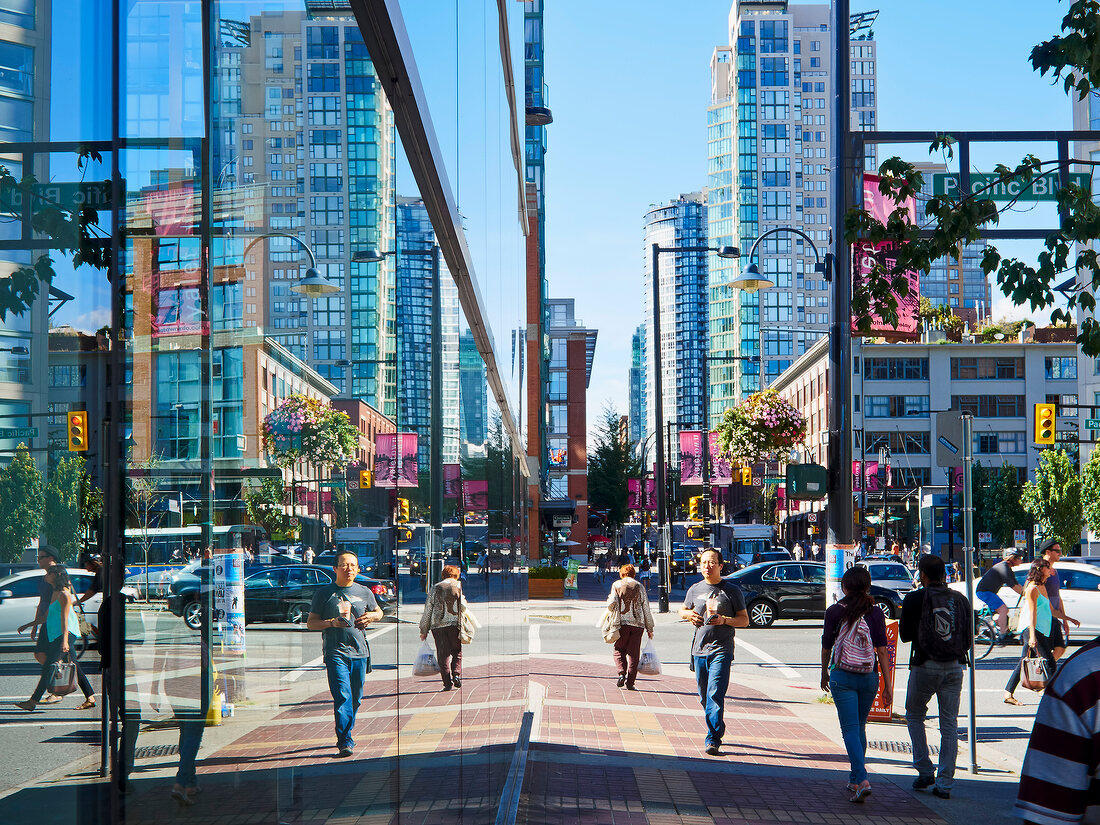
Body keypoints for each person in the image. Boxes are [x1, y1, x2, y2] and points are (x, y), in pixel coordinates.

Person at [821, 566, 893, 803]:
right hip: (868, 676)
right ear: (868, 587)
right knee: (860, 726)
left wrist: (824, 673)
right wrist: (887, 685)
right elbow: (882, 650)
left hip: (842, 675)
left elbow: (827, 647)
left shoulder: (833, 611)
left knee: (850, 729)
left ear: (844, 587)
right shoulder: (876, 613)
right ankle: (854, 778)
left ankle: (862, 779)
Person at [901, 554, 970, 800]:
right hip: (954, 667)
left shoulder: (914, 598)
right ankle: (945, 782)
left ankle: (924, 769)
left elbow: (905, 636)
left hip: (924, 665)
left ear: (922, 575)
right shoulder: (960, 600)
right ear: (944, 575)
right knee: (949, 724)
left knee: (915, 715)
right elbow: (968, 639)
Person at [1013, 637, 1100, 824]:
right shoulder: (1084, 676)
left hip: (1047, 629)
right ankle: (1011, 690)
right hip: (1040, 629)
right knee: (1036, 659)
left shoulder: (1084, 673)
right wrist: (1032, 632)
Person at [306, 550, 383, 757]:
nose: (349, 569)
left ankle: (347, 729)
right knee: (342, 696)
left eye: (353, 565)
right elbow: (311, 623)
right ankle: (345, 740)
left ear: (358, 569)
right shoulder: (324, 593)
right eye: (344, 565)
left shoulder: (365, 591)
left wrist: (371, 618)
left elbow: (379, 611)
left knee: (356, 698)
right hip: (335, 652)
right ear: (335, 569)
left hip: (360, 652)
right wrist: (331, 623)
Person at [679, 549, 749, 756]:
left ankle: (713, 738)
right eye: (703, 563)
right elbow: (682, 610)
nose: (707, 566)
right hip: (699, 649)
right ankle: (716, 725)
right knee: (704, 696)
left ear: (720, 565)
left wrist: (725, 620)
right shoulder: (694, 588)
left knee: (714, 693)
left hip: (722, 649)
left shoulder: (731, 590)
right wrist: (688, 615)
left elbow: (744, 620)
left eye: (712, 562)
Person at [16, 566, 96, 711]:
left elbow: (65, 620)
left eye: (48, 574)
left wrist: (65, 641)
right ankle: (90, 697)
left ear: (56, 575)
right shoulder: (54, 592)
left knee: (49, 667)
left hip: (65, 633)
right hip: (57, 634)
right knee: (75, 666)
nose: (46, 576)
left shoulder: (64, 594)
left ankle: (32, 701)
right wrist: (28, 625)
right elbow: (46, 616)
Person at [1003, 558, 1073, 706]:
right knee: (1049, 663)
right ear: (1040, 570)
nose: (1050, 570)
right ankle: (1053, 696)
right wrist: (1032, 636)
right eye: (1047, 567)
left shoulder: (1042, 586)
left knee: (1023, 661)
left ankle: (1008, 693)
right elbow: (1032, 614)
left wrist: (1069, 618)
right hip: (1033, 629)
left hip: (1042, 629)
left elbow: (1052, 611)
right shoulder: (1032, 588)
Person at [608, 564, 654, 690]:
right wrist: (650, 628)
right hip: (638, 625)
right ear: (633, 574)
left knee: (619, 649)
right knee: (634, 654)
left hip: (622, 623)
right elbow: (646, 608)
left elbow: (611, 603)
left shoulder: (616, 585)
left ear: (622, 573)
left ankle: (621, 673)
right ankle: (630, 683)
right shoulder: (640, 586)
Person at [419, 565, 465, 691]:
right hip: (454, 624)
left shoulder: (436, 587)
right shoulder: (458, 586)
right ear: (456, 575)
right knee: (457, 651)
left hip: (437, 625)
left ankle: (447, 683)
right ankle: (456, 674)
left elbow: (428, 609)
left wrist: (424, 630)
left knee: (443, 654)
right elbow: (464, 607)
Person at [975, 548, 1024, 640]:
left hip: (987, 591)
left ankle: (990, 629)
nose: (1021, 560)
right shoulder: (1003, 567)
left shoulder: (1006, 567)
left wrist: (1025, 592)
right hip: (985, 592)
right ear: (1012, 558)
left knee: (1005, 611)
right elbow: (1013, 585)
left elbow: (1016, 584)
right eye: (1020, 557)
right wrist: (1026, 594)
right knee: (1003, 610)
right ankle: (1002, 634)